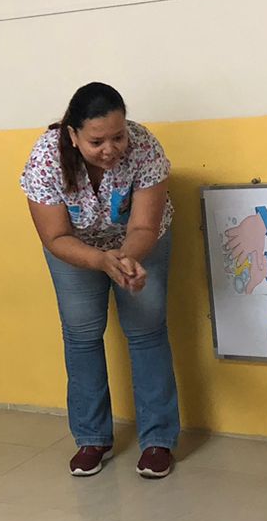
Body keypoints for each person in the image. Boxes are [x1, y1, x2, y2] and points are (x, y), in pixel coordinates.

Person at [21, 82, 181, 479]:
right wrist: (100, 260)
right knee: (81, 334)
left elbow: (144, 225)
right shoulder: (45, 159)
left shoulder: (144, 147)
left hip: (139, 243)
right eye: (96, 141)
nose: (110, 149)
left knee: (146, 330)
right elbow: (55, 237)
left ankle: (158, 440)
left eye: (118, 136)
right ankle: (92, 438)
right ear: (73, 135)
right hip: (73, 248)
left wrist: (125, 260)